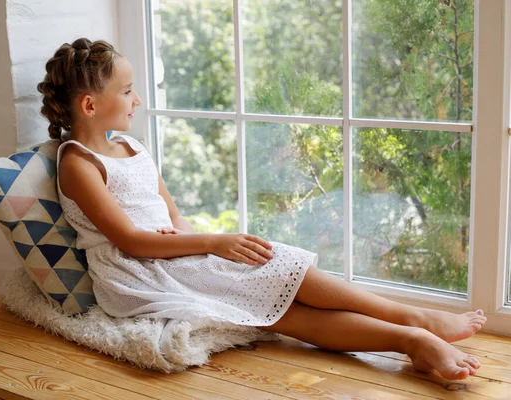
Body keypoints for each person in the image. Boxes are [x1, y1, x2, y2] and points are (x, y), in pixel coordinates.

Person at [37, 38, 486, 380]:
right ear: (90, 105)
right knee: (278, 309)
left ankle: (412, 318)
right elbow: (132, 240)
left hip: (171, 253)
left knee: (277, 264)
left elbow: (171, 215)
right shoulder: (78, 163)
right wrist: (213, 244)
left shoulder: (131, 146)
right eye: (128, 90)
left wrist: (203, 252)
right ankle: (411, 339)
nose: (137, 100)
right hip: (137, 272)